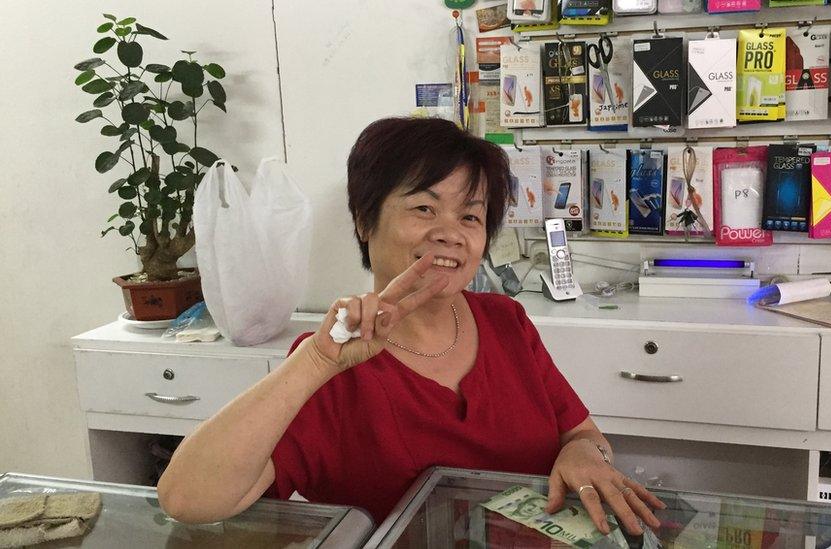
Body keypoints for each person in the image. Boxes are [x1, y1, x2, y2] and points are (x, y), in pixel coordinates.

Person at [157, 117, 664, 537]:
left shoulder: (505, 321)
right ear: (363, 219)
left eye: (470, 216)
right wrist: (314, 362)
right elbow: (186, 500)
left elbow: (580, 431)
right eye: (424, 208)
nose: (449, 233)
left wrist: (584, 454)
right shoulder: (331, 362)